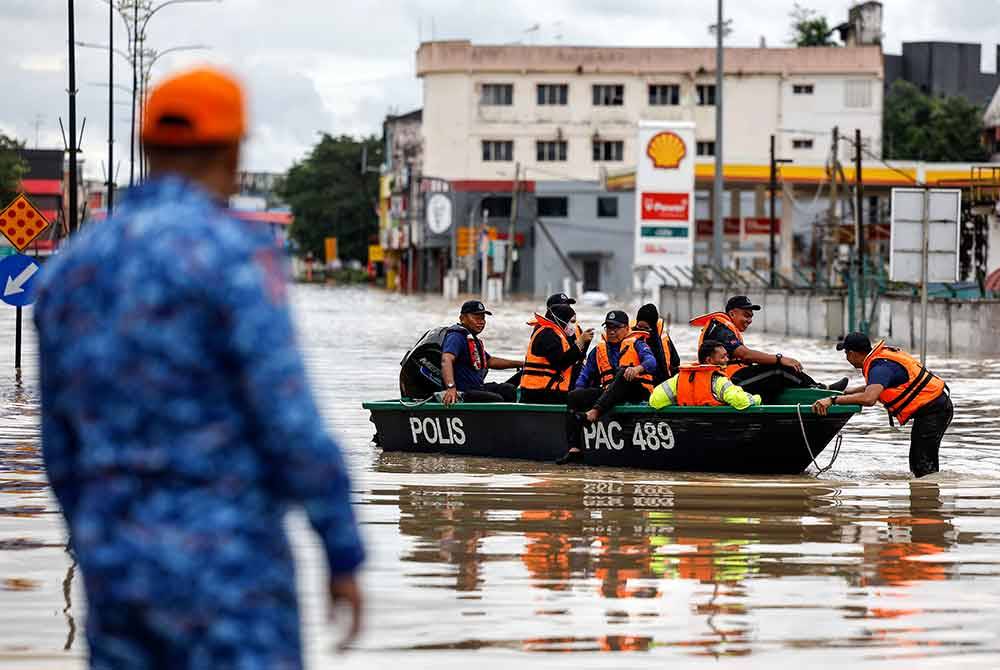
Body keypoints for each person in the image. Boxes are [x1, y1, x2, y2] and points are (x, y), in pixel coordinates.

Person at [33, 67, 364, 669]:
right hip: (231, 573)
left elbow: (57, 445)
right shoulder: (233, 257)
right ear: (235, 151)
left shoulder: (70, 270)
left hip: (116, 573)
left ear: (147, 148)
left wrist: (98, 539)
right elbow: (289, 421)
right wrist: (341, 549)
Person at [812, 332, 953, 478]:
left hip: (935, 410)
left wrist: (833, 400)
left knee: (921, 463)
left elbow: (869, 398)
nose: (847, 358)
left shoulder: (879, 367)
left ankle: (927, 495)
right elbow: (878, 387)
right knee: (920, 462)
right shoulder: (880, 360)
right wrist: (849, 392)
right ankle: (928, 492)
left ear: (852, 354)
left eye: (846, 353)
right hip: (935, 407)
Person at [690, 295, 847, 401]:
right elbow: (744, 355)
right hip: (724, 385)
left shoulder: (725, 327)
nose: (749, 320)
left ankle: (819, 388)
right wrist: (780, 358)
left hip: (730, 380)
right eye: (746, 315)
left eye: (751, 316)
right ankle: (820, 391)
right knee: (778, 370)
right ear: (732, 313)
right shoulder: (721, 329)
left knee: (774, 369)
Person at [557, 310, 658, 463]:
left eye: (616, 328)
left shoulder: (637, 343)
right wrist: (579, 397)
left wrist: (637, 369)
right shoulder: (598, 350)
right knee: (573, 396)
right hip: (610, 394)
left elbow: (652, 362)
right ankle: (574, 449)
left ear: (626, 328)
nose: (611, 331)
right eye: (608, 328)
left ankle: (594, 413)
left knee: (623, 373)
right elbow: (583, 377)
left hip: (637, 391)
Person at [441, 300, 522, 404]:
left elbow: (490, 361)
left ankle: (510, 418)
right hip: (463, 392)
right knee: (497, 399)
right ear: (462, 318)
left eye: (483, 318)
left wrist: (522, 364)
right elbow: (446, 359)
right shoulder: (456, 336)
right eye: (476, 318)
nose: (481, 322)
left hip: (477, 388)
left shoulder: (472, 339)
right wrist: (451, 387)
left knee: (508, 390)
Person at [649, 340, 762, 409]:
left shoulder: (679, 379)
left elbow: (655, 400)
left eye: (727, 356)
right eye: (723, 357)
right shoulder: (719, 381)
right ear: (709, 360)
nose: (727, 359)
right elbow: (741, 402)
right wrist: (757, 398)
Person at [519, 303, 593, 404]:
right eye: (571, 321)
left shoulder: (558, 334)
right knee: (582, 398)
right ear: (561, 319)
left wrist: (585, 343)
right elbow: (560, 363)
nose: (573, 326)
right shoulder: (547, 334)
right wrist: (579, 343)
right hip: (539, 392)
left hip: (548, 390)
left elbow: (574, 360)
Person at [635, 303, 680, 384]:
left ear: (653, 326)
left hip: (665, 385)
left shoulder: (664, 338)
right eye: (639, 326)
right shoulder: (632, 339)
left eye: (646, 328)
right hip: (642, 387)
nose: (642, 331)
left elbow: (675, 362)